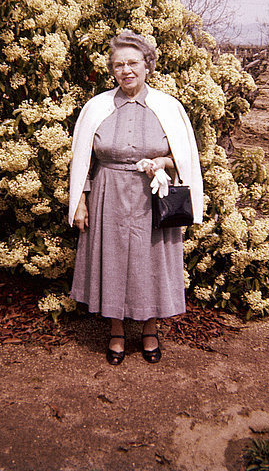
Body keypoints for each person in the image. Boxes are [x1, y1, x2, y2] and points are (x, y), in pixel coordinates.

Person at [68, 30, 203, 365]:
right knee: (111, 261)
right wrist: (81, 200)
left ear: (147, 66)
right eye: (118, 64)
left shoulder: (168, 108)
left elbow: (183, 157)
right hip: (107, 194)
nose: (126, 70)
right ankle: (116, 331)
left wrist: (164, 162)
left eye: (133, 63)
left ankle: (149, 330)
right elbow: (84, 159)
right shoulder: (96, 107)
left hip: (152, 196)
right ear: (112, 70)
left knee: (151, 263)